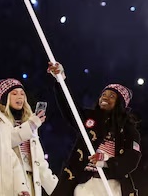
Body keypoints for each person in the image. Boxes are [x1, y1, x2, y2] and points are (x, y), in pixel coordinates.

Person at [48, 62, 141, 196]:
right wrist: (60, 79)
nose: (105, 98)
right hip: (83, 185)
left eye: (111, 96)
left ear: (120, 103)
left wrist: (105, 163)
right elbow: (69, 107)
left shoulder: (129, 131)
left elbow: (132, 158)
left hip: (111, 187)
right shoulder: (89, 118)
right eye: (104, 94)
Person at [0, 78, 58, 196]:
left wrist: (59, 190)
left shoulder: (29, 121)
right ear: (5, 97)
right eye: (14, 93)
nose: (20, 97)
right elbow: (5, 142)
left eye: (22, 94)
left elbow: (40, 162)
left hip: (31, 182)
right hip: (11, 182)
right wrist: (31, 125)